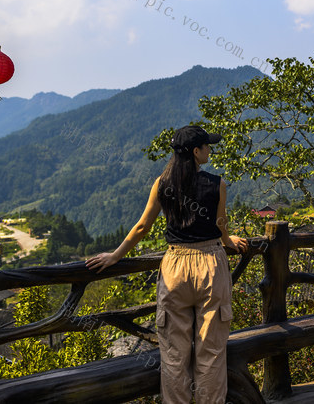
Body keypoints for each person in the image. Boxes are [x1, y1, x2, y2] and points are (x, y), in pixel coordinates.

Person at [86, 125, 248, 403]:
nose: (210, 149)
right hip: (211, 263)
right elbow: (220, 226)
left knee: (174, 355)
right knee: (210, 354)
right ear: (196, 152)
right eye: (207, 146)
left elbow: (142, 227)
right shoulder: (216, 183)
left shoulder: (162, 184)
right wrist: (229, 241)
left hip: (175, 267)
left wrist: (115, 256)